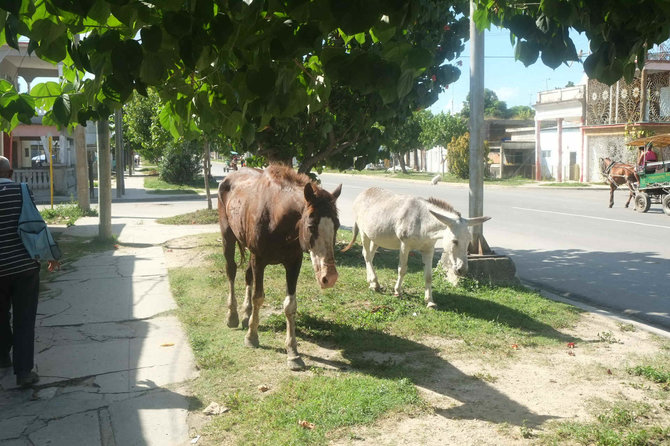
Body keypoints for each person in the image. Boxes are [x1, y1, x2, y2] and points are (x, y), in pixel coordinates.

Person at [0, 156, 60, 387]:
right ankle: (23, 373)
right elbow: (35, 225)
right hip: (24, 266)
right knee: (24, 319)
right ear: (11, 172)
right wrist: (50, 255)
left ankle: (3, 356)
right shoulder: (22, 190)